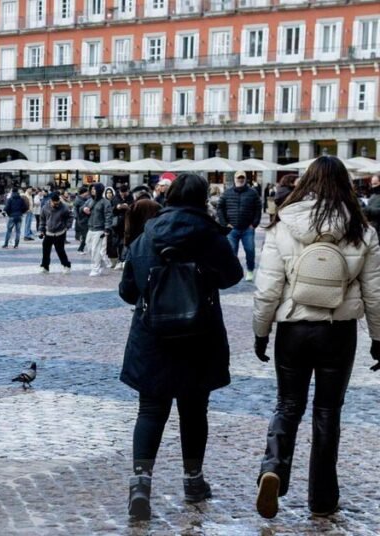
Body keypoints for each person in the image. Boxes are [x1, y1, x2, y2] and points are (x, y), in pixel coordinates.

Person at [251, 157, 380, 519]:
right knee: (327, 412)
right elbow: (375, 292)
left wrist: (261, 332)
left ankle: (273, 467)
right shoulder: (362, 229)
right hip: (338, 331)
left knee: (287, 405)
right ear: (346, 185)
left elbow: (267, 288)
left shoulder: (283, 225)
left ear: (305, 182)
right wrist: (379, 338)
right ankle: (322, 497)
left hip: (293, 328)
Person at [118, 173, 243, 521]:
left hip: (152, 335)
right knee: (194, 410)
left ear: (169, 196)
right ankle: (193, 480)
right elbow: (233, 276)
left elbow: (127, 291)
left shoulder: (147, 235)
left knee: (150, 411)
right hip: (198, 335)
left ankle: (140, 485)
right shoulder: (209, 234)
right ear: (203, 198)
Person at [217, 171, 262, 282]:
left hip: (248, 228)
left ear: (245, 179)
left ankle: (250, 270)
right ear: (235, 179)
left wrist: (254, 224)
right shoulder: (227, 193)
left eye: (242, 178)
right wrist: (225, 223)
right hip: (232, 228)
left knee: (250, 250)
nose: (240, 179)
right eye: (238, 177)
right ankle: (233, 272)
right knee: (232, 252)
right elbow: (220, 208)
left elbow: (258, 208)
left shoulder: (253, 192)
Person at [38, 192, 73, 274]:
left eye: (58, 203)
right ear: (51, 201)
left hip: (60, 232)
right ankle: (45, 267)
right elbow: (42, 219)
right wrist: (41, 230)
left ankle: (66, 266)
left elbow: (70, 216)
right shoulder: (45, 207)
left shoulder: (64, 207)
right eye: (55, 203)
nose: (56, 205)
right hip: (49, 232)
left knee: (60, 250)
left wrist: (67, 226)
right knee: (45, 250)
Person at [85, 183, 113, 276]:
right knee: (89, 248)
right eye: (91, 189)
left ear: (99, 190)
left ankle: (95, 269)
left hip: (99, 229)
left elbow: (108, 216)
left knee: (95, 250)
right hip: (90, 228)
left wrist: (107, 229)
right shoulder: (89, 201)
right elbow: (82, 208)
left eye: (94, 189)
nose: (93, 191)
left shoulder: (105, 202)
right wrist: (84, 209)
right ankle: (101, 264)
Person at [74, 188, 90, 252]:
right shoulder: (78, 200)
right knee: (85, 236)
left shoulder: (85, 199)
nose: (88, 193)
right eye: (87, 192)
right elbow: (75, 210)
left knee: (85, 236)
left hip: (85, 220)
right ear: (84, 193)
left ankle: (82, 248)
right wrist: (77, 218)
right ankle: (80, 249)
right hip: (82, 221)